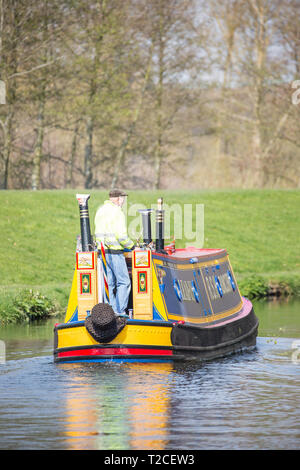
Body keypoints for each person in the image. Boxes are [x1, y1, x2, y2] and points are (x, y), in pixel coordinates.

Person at [94, 189, 134, 315]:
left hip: (102, 252)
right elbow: (121, 236)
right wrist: (132, 246)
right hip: (115, 251)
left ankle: (110, 311)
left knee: (109, 283)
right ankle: (120, 311)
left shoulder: (101, 210)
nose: (123, 201)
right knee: (124, 282)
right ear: (119, 198)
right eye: (123, 199)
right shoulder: (117, 212)